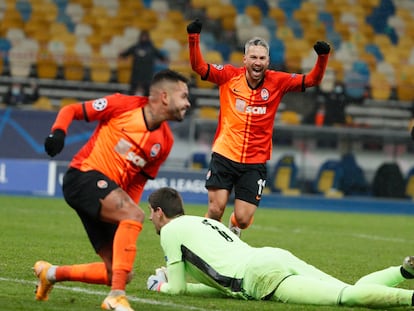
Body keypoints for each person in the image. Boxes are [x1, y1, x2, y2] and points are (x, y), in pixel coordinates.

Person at [34, 69, 191, 311]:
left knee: (117, 271)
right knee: (132, 218)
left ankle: (50, 273)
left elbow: (138, 182)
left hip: (107, 194)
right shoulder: (123, 105)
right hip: (83, 176)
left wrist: (129, 212)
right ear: (164, 97)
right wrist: (58, 132)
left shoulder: (165, 142)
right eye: (183, 96)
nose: (188, 103)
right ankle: (115, 297)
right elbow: (71, 110)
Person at [146, 186, 414, 309]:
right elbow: (215, 286)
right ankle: (403, 272)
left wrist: (159, 286)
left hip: (261, 278)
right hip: (270, 256)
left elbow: (177, 289)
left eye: (150, 213)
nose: (149, 218)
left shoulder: (169, 231)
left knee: (345, 297)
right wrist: (175, 281)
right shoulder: (203, 221)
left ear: (159, 212)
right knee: (351, 290)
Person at [186, 19, 331, 236]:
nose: (257, 62)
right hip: (225, 153)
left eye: (262, 58)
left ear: (268, 61)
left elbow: (312, 80)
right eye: (253, 57)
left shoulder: (277, 81)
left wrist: (322, 58)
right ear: (244, 59)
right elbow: (199, 67)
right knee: (215, 208)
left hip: (255, 161)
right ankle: (199, 245)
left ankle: (234, 225)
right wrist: (193, 37)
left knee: (243, 219)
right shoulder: (228, 76)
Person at [119, 30, 168, 96]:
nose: (144, 38)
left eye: (145, 36)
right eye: (143, 36)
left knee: (148, 93)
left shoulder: (151, 48)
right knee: (132, 92)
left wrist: (164, 58)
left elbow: (161, 56)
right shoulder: (136, 47)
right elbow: (126, 53)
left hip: (147, 75)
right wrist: (122, 54)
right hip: (136, 74)